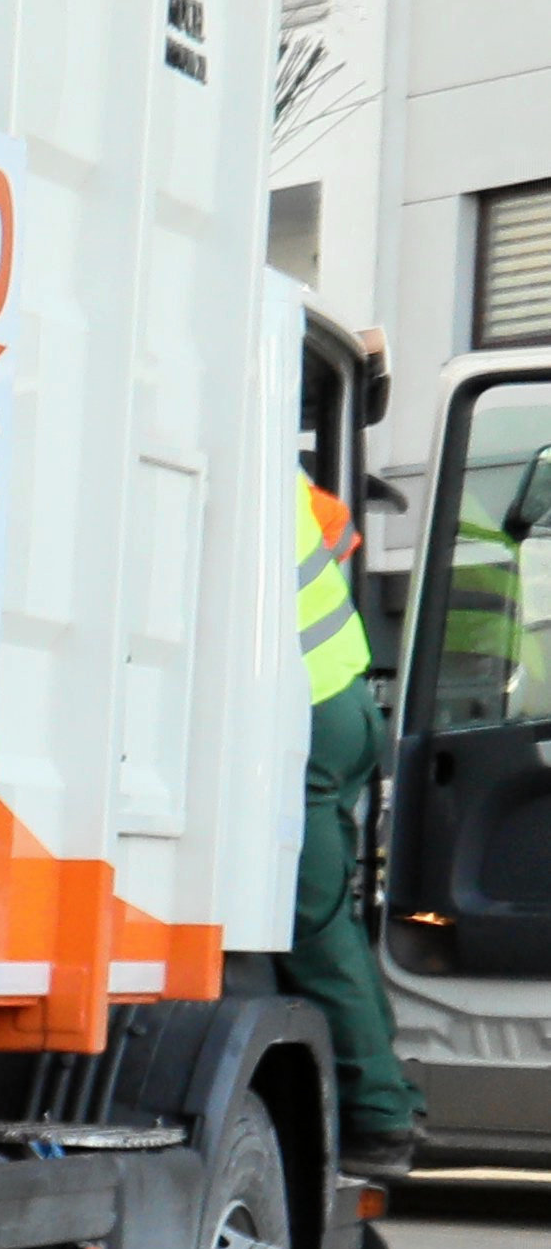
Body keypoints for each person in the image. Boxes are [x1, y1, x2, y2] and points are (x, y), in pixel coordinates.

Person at [282, 464, 419, 1179]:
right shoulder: (275, 461)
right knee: (327, 914)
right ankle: (383, 1093)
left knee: (308, 923)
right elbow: (339, 527)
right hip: (340, 697)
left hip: (310, 708)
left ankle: (377, 1114)